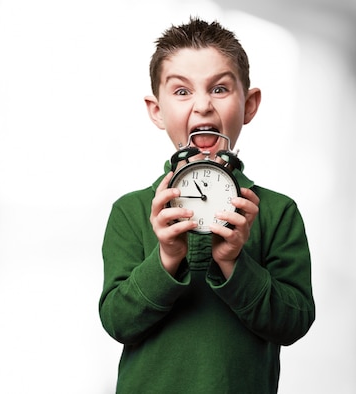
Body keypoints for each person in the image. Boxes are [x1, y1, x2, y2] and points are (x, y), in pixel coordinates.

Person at [98, 16, 315, 393]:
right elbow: (118, 322)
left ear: (249, 104)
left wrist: (234, 262)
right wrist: (165, 258)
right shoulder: (130, 212)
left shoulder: (278, 213)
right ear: (156, 110)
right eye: (182, 92)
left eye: (219, 89)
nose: (202, 106)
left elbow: (293, 323)